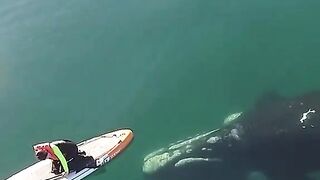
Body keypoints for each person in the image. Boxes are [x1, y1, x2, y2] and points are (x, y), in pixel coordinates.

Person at [33, 140, 98, 175]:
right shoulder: (39, 148)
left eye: (47, 156)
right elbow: (34, 147)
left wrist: (66, 171)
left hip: (72, 149)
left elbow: (62, 160)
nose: (48, 157)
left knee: (70, 165)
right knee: (56, 170)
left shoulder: (54, 148)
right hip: (65, 149)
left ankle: (88, 160)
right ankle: (79, 153)